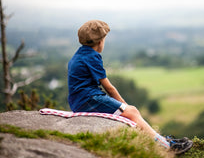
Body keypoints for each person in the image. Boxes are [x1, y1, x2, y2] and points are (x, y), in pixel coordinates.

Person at [68, 20, 192, 154]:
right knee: (132, 112)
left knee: (131, 110)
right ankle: (167, 146)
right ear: (100, 42)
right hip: (88, 99)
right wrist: (125, 106)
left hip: (79, 100)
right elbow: (109, 88)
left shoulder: (78, 55)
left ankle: (162, 140)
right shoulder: (92, 57)